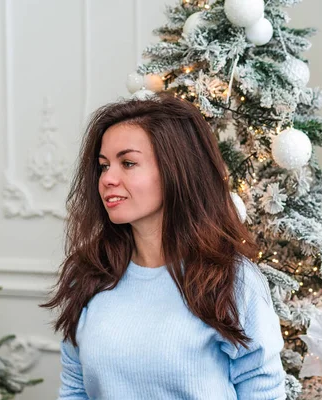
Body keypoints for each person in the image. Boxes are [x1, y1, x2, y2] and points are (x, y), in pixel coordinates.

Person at [40, 93, 286, 399]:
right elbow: (75, 390)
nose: (107, 179)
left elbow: (262, 391)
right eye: (103, 166)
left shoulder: (231, 280)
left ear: (175, 170)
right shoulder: (90, 275)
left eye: (128, 163)